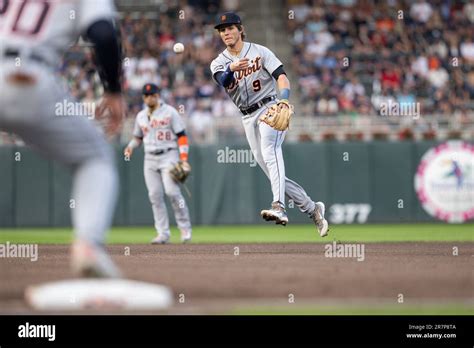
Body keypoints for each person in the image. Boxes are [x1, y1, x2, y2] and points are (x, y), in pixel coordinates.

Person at [0, 0, 125, 277]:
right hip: (26, 76)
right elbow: (104, 34)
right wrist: (113, 91)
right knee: (95, 158)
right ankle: (88, 247)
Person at [210, 12, 329, 237]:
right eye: (222, 30)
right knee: (273, 173)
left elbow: (282, 77)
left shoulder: (260, 51)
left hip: (270, 107)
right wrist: (230, 70)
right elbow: (223, 81)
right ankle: (313, 209)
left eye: (230, 28)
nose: (226, 32)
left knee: (270, 149)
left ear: (240, 29)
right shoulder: (218, 62)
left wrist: (284, 98)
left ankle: (279, 207)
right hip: (246, 117)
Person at [124, 83, 192, 244]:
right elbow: (138, 138)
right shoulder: (140, 116)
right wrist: (130, 146)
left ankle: (185, 228)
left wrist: (183, 159)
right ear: (143, 97)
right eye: (146, 95)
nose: (149, 97)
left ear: (158, 95)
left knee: (172, 192)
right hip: (149, 158)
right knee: (154, 195)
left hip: (169, 155)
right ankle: (163, 233)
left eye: (152, 95)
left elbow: (182, 135)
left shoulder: (170, 112)